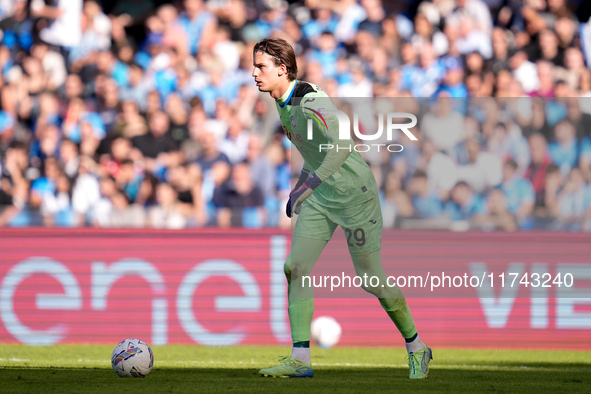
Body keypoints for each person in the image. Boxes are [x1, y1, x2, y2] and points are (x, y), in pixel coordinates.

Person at [252, 37, 431, 379]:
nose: (255, 73)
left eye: (261, 67)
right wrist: (302, 184)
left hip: (354, 195)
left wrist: (308, 183)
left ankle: (417, 347)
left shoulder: (311, 100)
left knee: (371, 279)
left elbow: (344, 144)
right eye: (255, 65)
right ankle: (300, 359)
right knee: (296, 267)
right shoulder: (281, 101)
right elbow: (313, 150)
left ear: (282, 69)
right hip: (322, 197)